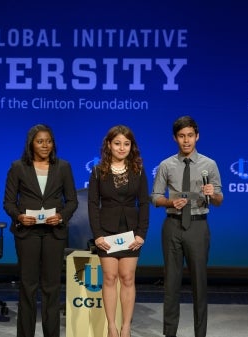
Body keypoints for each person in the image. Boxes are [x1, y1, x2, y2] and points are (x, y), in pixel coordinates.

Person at [151, 115, 223, 337]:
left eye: (190, 135)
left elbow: (219, 200)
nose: (186, 140)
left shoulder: (209, 165)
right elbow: (155, 197)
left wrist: (214, 194)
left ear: (197, 136)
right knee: (171, 284)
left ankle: (200, 333)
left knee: (199, 285)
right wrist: (170, 202)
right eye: (181, 136)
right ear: (175, 138)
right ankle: (169, 333)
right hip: (172, 225)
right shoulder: (166, 165)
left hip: (198, 226)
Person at [3, 124, 78, 337]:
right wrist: (19, 216)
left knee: (51, 288)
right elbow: (8, 202)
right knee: (28, 286)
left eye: (48, 141)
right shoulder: (18, 167)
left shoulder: (63, 167)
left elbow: (72, 201)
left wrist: (62, 216)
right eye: (40, 141)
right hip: (27, 233)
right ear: (31, 144)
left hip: (54, 233)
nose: (45, 145)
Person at [88, 125, 150, 337]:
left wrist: (141, 233)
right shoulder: (97, 171)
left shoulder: (138, 170)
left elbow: (143, 203)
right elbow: (92, 204)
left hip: (131, 231)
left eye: (126, 143)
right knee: (109, 277)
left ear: (131, 146)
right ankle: (112, 326)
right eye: (117, 143)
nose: (122, 148)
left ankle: (126, 327)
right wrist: (97, 235)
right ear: (108, 145)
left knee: (128, 278)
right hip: (106, 231)